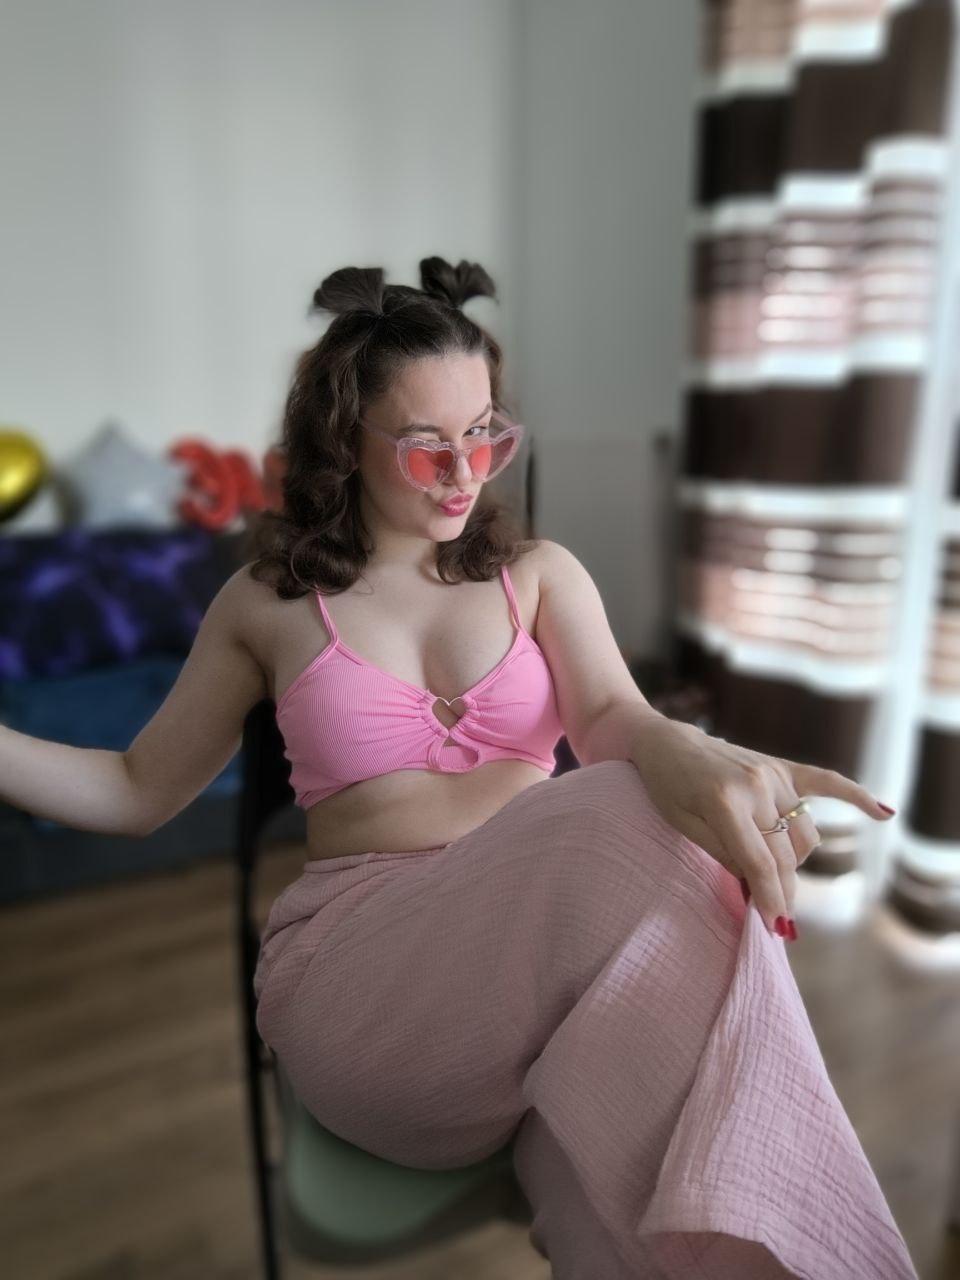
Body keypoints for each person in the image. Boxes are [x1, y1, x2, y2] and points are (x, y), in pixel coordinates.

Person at [0, 257, 917, 1279]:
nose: (466, 473)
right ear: (344, 438)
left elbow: (612, 716)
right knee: (622, 807)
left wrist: (695, 752)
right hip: (365, 983)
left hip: (538, 997)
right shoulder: (267, 603)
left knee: (646, 1214)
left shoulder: (541, 575)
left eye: (484, 434)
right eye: (426, 446)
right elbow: (135, 792)